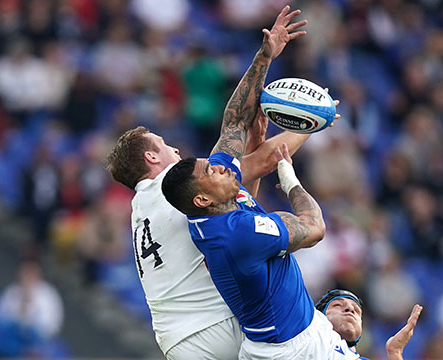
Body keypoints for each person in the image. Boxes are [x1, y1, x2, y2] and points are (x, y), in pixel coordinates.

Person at [106, 6, 315, 359]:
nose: (174, 148)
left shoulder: (142, 208)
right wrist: (311, 121)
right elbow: (255, 146)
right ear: (150, 159)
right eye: (163, 145)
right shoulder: (177, 188)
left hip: (176, 339)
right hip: (212, 324)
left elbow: (241, 195)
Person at [162, 137, 351, 360]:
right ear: (202, 199)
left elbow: (234, 126)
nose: (222, 168)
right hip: (290, 350)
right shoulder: (238, 234)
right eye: (211, 171)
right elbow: (315, 229)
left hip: (305, 329)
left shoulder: (212, 208)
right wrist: (291, 183)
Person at [315, 289, 423, 360]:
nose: (350, 309)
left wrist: (395, 352)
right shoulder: (308, 342)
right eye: (337, 305)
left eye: (356, 311)